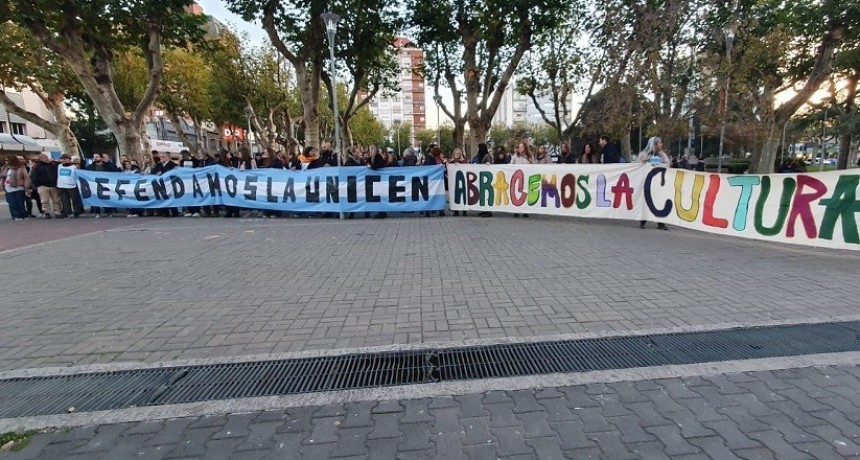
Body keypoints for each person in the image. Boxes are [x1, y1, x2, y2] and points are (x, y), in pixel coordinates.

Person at [637, 136, 670, 230]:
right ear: (655, 144)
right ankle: (643, 221)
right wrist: (647, 161)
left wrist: (658, 162)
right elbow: (638, 165)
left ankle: (661, 223)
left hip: (659, 182)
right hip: (647, 181)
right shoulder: (644, 154)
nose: (661, 144)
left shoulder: (662, 155)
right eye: (660, 142)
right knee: (646, 200)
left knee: (660, 201)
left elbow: (667, 164)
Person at [30, 153, 61, 219]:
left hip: (54, 185)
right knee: (44, 200)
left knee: (56, 199)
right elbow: (33, 177)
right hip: (43, 186)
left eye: (46, 157)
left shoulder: (53, 164)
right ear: (40, 159)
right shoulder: (36, 167)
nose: (46, 158)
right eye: (44, 157)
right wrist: (38, 185)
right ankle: (46, 212)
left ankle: (57, 212)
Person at [1, 156, 31, 220]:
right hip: (8, 187)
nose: (6, 162)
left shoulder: (21, 168)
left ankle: (23, 215)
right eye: (5, 160)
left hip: (18, 187)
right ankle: (15, 216)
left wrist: (26, 187)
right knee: (12, 203)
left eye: (7, 160)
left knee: (20, 202)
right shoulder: (5, 168)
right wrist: (2, 185)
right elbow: (3, 178)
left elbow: (26, 178)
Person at [510, 141, 533, 217]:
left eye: (521, 147)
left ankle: (525, 211)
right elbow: (511, 165)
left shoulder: (529, 156)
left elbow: (534, 166)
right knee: (517, 193)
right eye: (519, 147)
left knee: (525, 193)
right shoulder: (515, 156)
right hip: (518, 178)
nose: (520, 148)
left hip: (526, 177)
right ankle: (516, 210)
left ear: (525, 148)